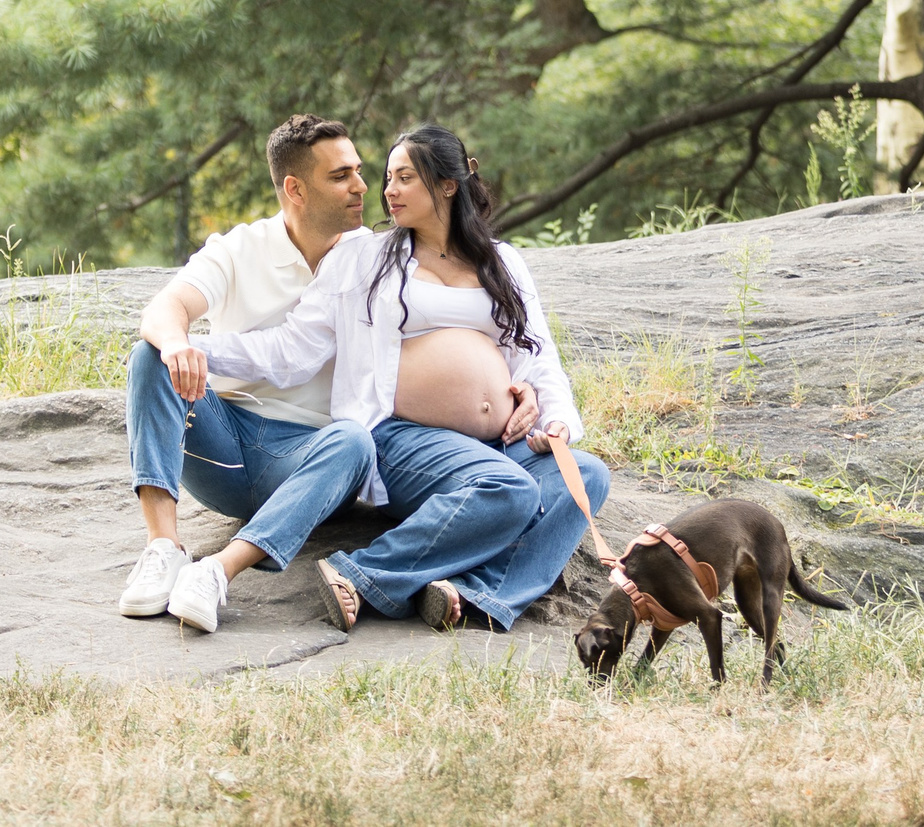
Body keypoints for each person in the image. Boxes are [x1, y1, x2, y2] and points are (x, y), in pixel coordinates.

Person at [192, 123, 610, 634]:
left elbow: (536, 353)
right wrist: (193, 349)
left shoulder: (502, 262)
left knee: (585, 475)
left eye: (404, 178)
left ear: (447, 185)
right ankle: (360, 574)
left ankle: (471, 593)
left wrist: (556, 418)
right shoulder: (362, 258)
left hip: (499, 440)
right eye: (387, 177)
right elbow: (293, 350)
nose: (386, 190)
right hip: (398, 435)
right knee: (510, 489)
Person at [119, 114, 379, 633]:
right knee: (149, 355)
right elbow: (165, 307)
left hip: (308, 458)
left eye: (358, 170)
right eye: (340, 176)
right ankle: (162, 548)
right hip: (224, 447)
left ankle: (216, 573)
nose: (361, 186)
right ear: (294, 189)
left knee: (353, 442)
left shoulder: (368, 256)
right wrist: (177, 344)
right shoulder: (239, 249)